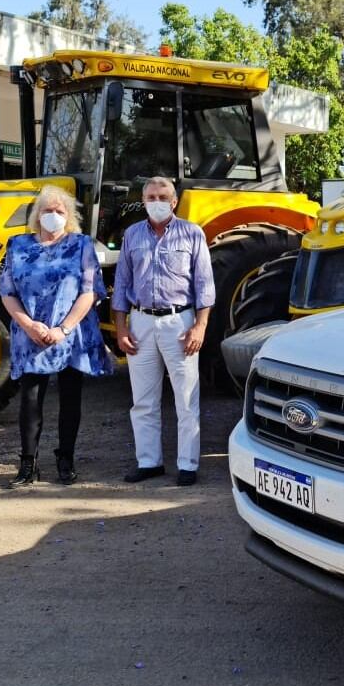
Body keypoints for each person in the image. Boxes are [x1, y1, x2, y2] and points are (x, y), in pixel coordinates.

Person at [0, 186, 113, 487]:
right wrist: (30, 326)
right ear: (37, 215)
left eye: (60, 211)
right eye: (47, 210)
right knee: (30, 400)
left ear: (70, 217)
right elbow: (7, 292)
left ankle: (66, 460)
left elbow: (90, 292)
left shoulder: (82, 245)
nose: (53, 216)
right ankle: (28, 463)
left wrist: (63, 328)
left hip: (71, 336)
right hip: (30, 334)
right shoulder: (18, 245)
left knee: (70, 399)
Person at [110, 177, 214, 487]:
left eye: (163, 196)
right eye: (151, 196)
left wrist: (200, 326)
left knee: (185, 398)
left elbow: (204, 286)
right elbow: (122, 285)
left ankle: (187, 465)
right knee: (143, 399)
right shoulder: (132, 235)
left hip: (179, 322)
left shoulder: (192, 234)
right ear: (143, 200)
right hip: (140, 322)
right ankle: (149, 462)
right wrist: (120, 328)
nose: (157, 201)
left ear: (174, 201)